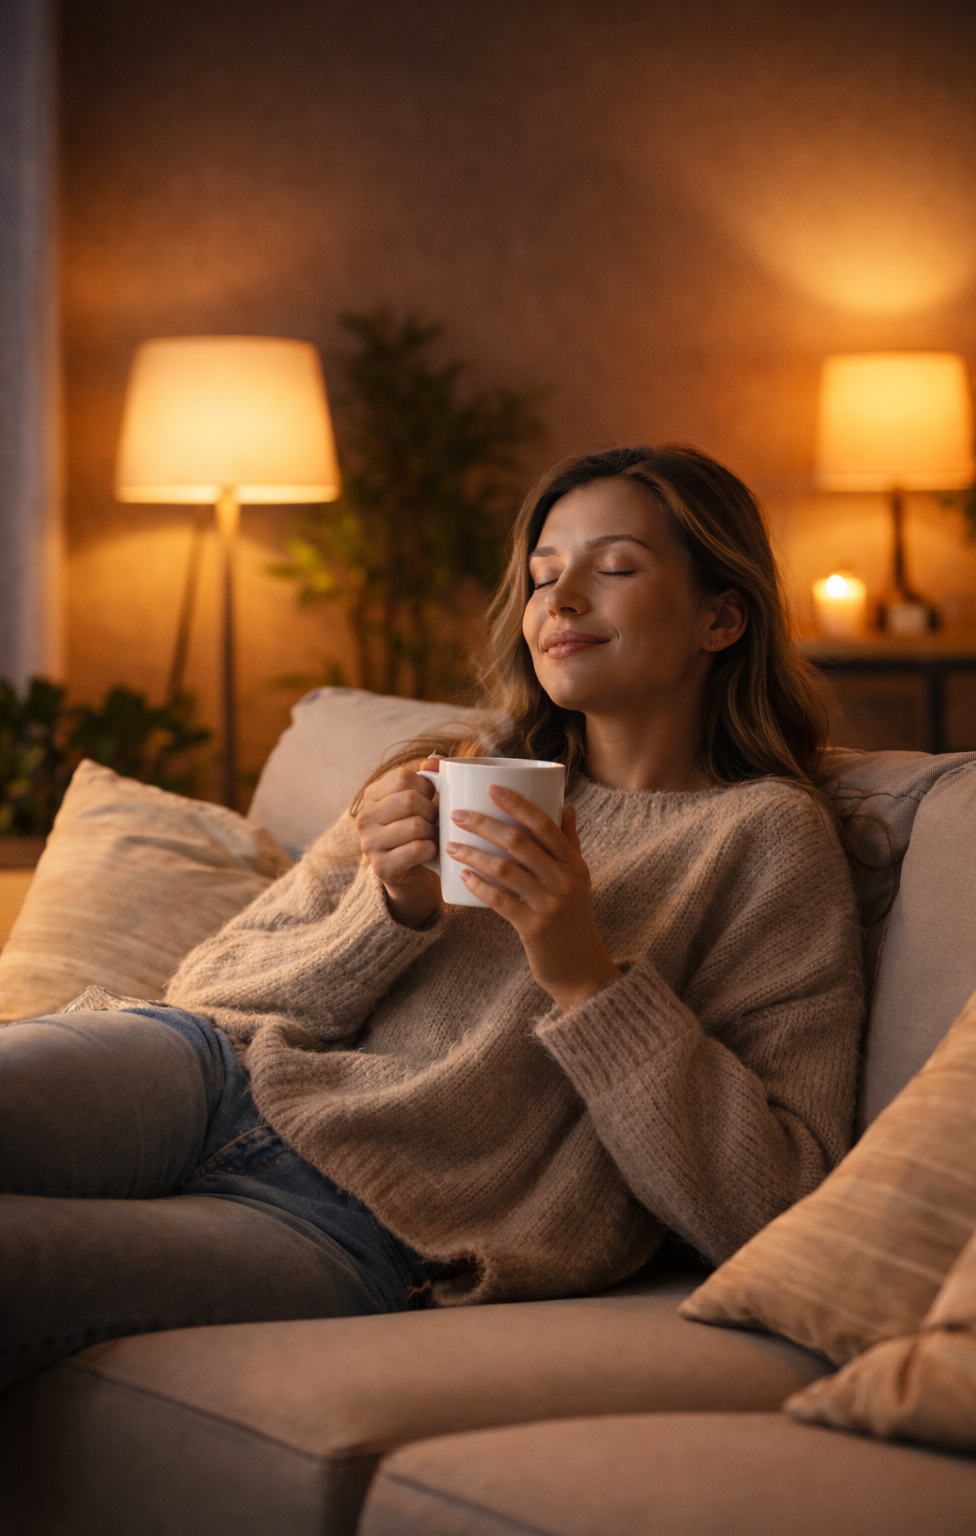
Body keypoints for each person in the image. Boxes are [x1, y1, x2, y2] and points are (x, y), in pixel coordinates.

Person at [0, 445, 863, 1391]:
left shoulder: (769, 840)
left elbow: (778, 1198)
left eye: (613, 569)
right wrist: (389, 911)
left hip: (356, 1221)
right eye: (543, 574)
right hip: (207, 1078)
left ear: (722, 616)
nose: (560, 599)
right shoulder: (456, 769)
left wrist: (584, 973)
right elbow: (207, 991)